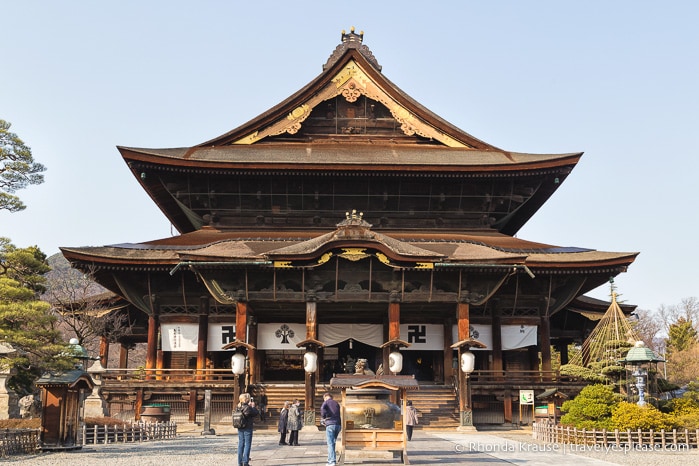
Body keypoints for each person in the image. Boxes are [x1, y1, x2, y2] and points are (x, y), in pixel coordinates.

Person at [236, 392, 259, 466]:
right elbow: (256, 413)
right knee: (247, 444)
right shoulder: (248, 407)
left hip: (240, 427)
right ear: (246, 399)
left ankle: (240, 462)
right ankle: (245, 461)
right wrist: (253, 406)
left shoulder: (238, 407)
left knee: (240, 444)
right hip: (247, 427)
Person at [320, 392, 341, 466]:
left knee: (330, 443)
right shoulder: (336, 403)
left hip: (330, 423)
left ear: (325, 397)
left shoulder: (326, 402)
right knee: (333, 442)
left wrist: (324, 417)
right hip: (338, 424)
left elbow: (322, 409)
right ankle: (330, 458)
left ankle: (332, 461)